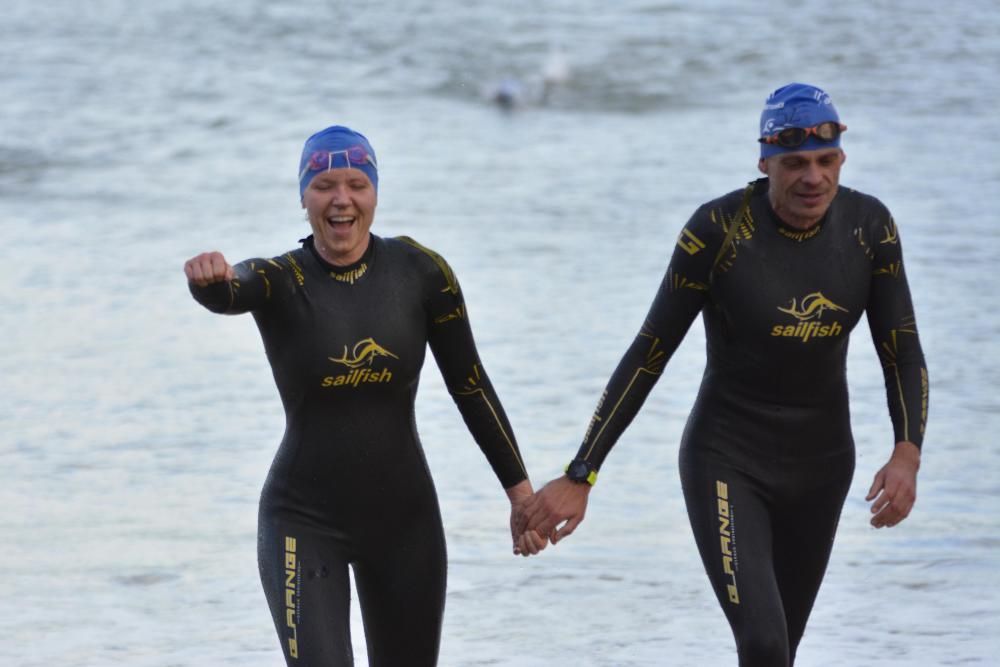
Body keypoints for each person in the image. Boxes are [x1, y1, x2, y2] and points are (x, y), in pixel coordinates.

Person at [515, 83, 928, 666]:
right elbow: (649, 352)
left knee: (779, 650)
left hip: (823, 464)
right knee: (762, 641)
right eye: (795, 164)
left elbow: (902, 349)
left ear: (841, 159)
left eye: (825, 161)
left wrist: (907, 452)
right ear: (765, 162)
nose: (813, 178)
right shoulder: (717, 230)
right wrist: (582, 472)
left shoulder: (870, 228)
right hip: (727, 458)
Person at [184, 125, 544, 666]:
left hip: (405, 525)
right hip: (302, 521)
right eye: (324, 185)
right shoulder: (281, 280)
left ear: (375, 192)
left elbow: (470, 385)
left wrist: (521, 496)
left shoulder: (422, 273)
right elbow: (234, 288)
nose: (341, 199)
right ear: (303, 197)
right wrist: (208, 282)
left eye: (356, 183)